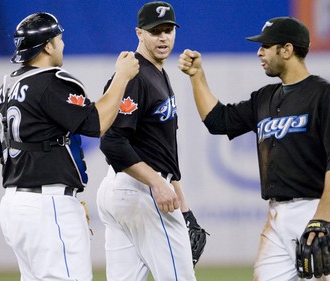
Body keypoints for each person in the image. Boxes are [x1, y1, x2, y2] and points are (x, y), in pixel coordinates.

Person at [178, 16, 330, 281]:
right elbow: (218, 121)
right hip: (277, 215)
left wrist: (323, 215)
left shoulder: (326, 95)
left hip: (319, 208)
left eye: (266, 46)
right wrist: (196, 77)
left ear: (287, 50)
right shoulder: (265, 98)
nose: (259, 52)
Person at [0, 12, 139, 281]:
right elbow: (97, 124)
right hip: (46, 206)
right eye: (59, 38)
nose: (63, 44)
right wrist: (122, 77)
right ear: (47, 45)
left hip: (15, 205)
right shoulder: (50, 81)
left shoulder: (6, 87)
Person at [96, 2, 199, 280]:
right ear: (139, 33)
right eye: (155, 31)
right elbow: (112, 142)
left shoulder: (158, 72)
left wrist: (182, 201)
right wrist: (156, 182)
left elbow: (162, 148)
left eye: (168, 30)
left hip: (129, 192)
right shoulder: (133, 74)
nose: (163, 37)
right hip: (140, 191)